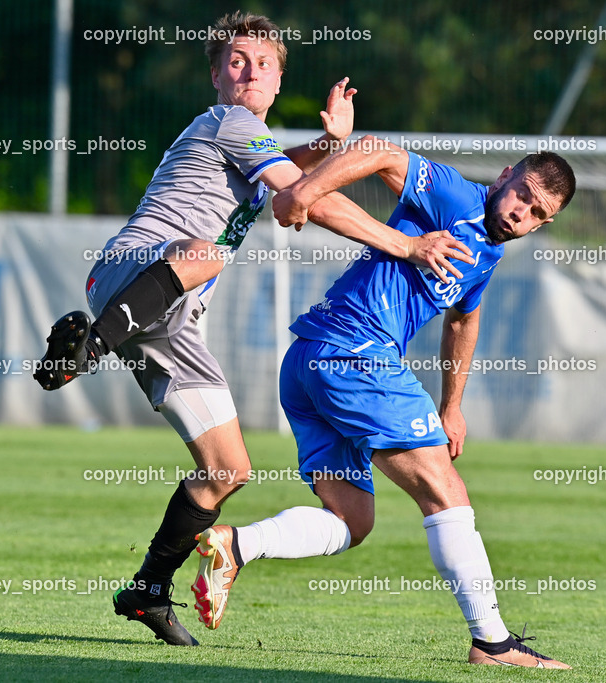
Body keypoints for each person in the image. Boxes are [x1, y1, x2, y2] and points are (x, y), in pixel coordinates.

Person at [33, 12, 472, 648]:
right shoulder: (227, 120)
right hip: (136, 272)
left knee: (228, 470)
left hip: (170, 319)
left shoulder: (249, 142)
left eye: (263, 63)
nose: (249, 71)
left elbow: (288, 175)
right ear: (215, 75)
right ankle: (87, 348)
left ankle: (148, 588)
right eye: (235, 61)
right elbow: (309, 198)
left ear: (278, 80)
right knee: (208, 251)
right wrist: (406, 245)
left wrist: (329, 145)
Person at [190, 136, 576, 668]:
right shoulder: (456, 197)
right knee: (446, 493)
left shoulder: (487, 252)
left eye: (537, 213)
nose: (521, 213)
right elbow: (382, 152)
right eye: (523, 195)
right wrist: (305, 190)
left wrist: (452, 406)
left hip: (309, 362)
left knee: (352, 519)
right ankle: (492, 643)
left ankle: (236, 546)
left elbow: (463, 320)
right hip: (356, 356)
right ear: (505, 175)